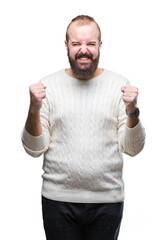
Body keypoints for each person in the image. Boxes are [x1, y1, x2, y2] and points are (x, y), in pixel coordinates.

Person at [21, 15, 145, 240]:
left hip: (107, 201)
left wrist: (132, 111)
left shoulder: (119, 86)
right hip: (58, 201)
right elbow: (33, 149)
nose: (83, 50)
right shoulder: (49, 86)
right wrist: (33, 108)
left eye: (90, 43)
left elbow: (133, 149)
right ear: (66, 45)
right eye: (76, 43)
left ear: (100, 45)